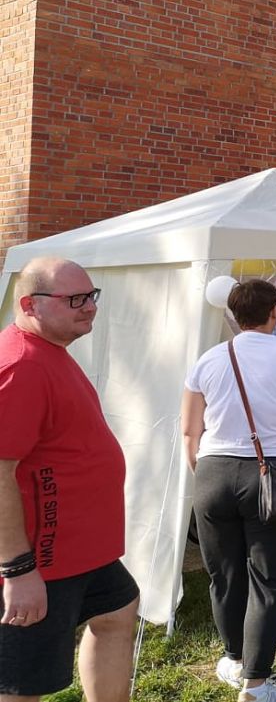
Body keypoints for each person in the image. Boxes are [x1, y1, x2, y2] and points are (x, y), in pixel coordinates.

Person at [182, 279, 276, 702]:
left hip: (213, 471)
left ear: (232, 313)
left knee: (224, 576)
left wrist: (203, 473)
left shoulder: (208, 359)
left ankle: (234, 659)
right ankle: (256, 683)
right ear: (274, 312)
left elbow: (190, 430)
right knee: (269, 580)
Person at [0, 258, 138, 702]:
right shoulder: (22, 364)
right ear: (30, 305)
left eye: (91, 296)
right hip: (42, 556)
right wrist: (17, 570)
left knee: (117, 609)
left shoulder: (49, 351)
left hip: (80, 550)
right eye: (75, 299)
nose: (89, 307)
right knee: (23, 681)